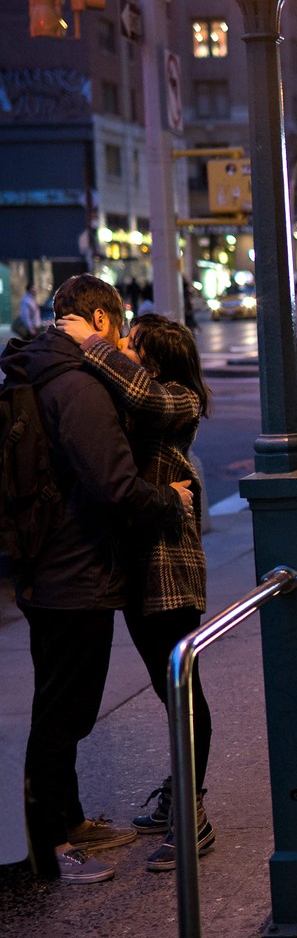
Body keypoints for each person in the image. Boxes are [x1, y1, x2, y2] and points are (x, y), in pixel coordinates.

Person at [0, 275, 193, 884]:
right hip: (72, 569)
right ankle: (52, 850)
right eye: (123, 328)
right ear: (103, 322)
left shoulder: (41, 370)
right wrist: (169, 501)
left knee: (65, 704)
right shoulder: (79, 386)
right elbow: (113, 486)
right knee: (63, 712)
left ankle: (72, 822)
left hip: (50, 563)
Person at [57, 310, 213, 873]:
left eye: (137, 346)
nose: (128, 350)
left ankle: (193, 817)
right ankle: (181, 792)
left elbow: (143, 397)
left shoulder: (180, 399)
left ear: (161, 356)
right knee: (166, 684)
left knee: (180, 690)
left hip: (172, 566)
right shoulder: (146, 393)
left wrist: (93, 342)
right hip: (146, 567)